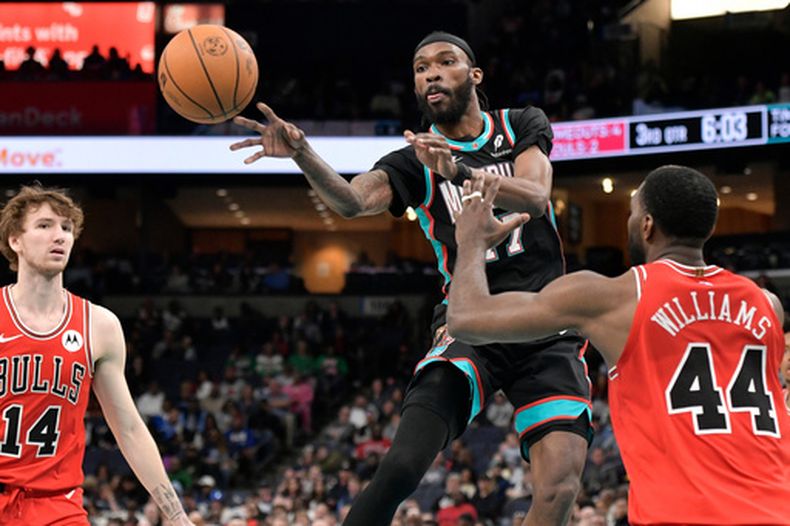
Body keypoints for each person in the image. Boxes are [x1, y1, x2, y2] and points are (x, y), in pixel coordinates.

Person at [231, 31, 591, 525]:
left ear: (474, 75)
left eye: (445, 62)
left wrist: (461, 172)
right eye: (421, 68)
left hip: (545, 323)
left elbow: (534, 194)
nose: (431, 73)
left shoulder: (520, 123)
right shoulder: (413, 161)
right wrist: (302, 153)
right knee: (401, 466)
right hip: (473, 322)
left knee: (559, 490)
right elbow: (352, 201)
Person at [447, 166, 790, 525]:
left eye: (632, 213)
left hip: (686, 516)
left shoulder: (615, 297)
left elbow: (467, 320)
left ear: (647, 226)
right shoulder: (767, 304)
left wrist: (471, 242)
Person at [0, 186, 193, 525]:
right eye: (44, 226)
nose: (59, 235)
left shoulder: (99, 325)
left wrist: (177, 517)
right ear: (15, 239)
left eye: (66, 228)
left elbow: (129, 428)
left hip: (57, 507)